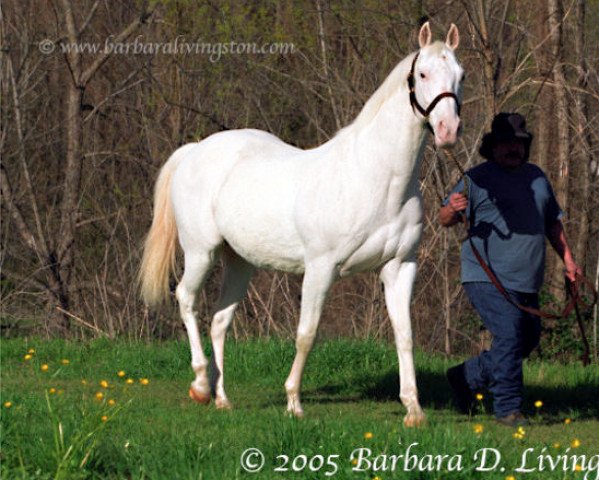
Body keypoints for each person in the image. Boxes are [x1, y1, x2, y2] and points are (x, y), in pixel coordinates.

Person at [439, 112, 581, 427]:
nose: (512, 149)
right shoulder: (475, 179)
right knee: (508, 334)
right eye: (505, 144)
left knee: (525, 341)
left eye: (517, 143)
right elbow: (445, 217)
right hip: (485, 276)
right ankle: (508, 410)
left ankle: (465, 377)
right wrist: (452, 209)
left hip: (526, 282)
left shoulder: (537, 178)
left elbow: (552, 224)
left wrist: (569, 261)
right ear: (493, 147)